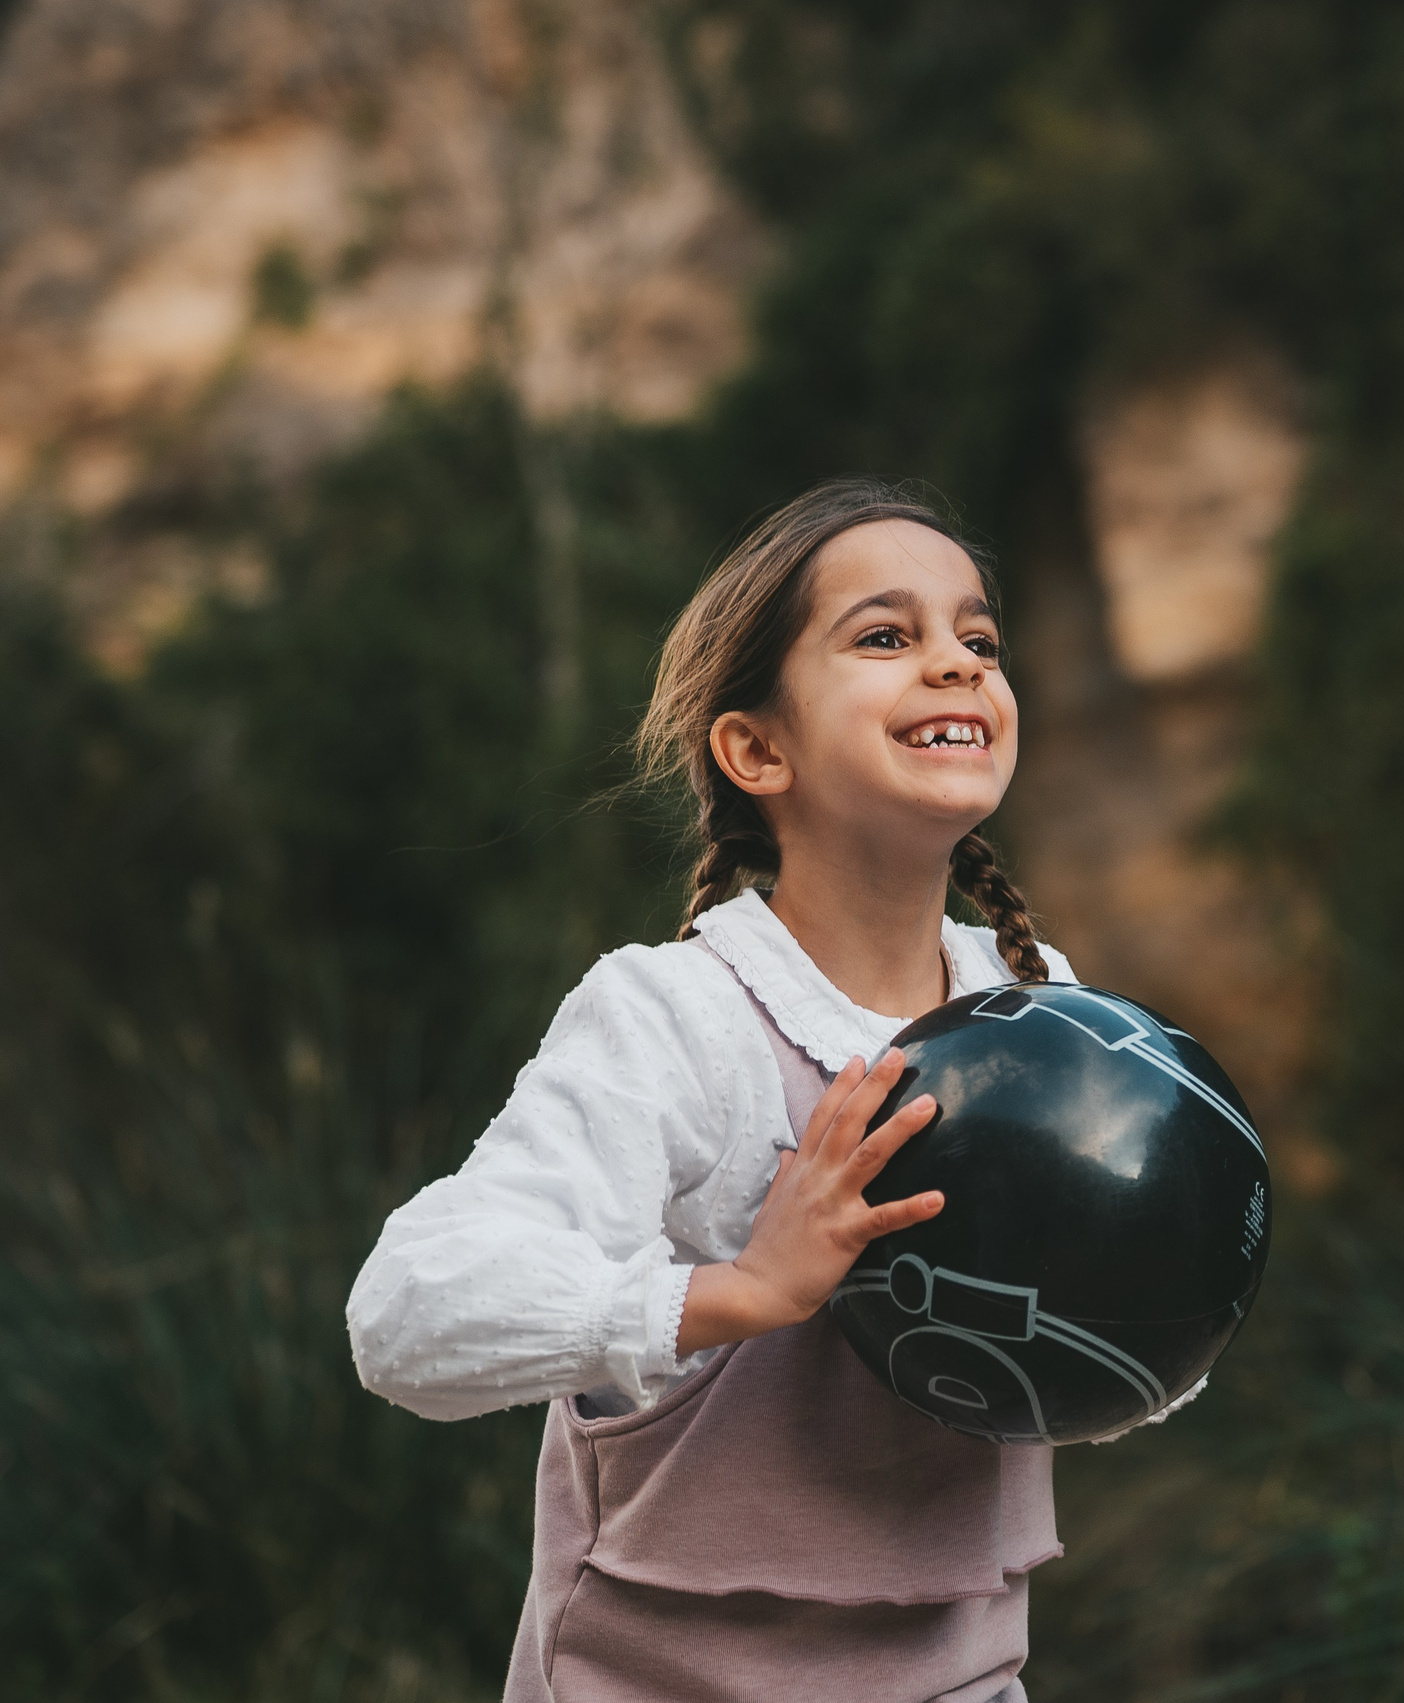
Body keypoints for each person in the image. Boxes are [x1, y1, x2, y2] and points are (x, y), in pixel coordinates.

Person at [348, 479, 1145, 1703]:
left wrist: (1158, 1304)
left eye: (976, 639)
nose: (954, 665)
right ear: (755, 748)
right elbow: (406, 1314)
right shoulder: (679, 1019)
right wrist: (740, 1290)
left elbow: (1130, 1342)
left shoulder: (1048, 1007)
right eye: (886, 636)